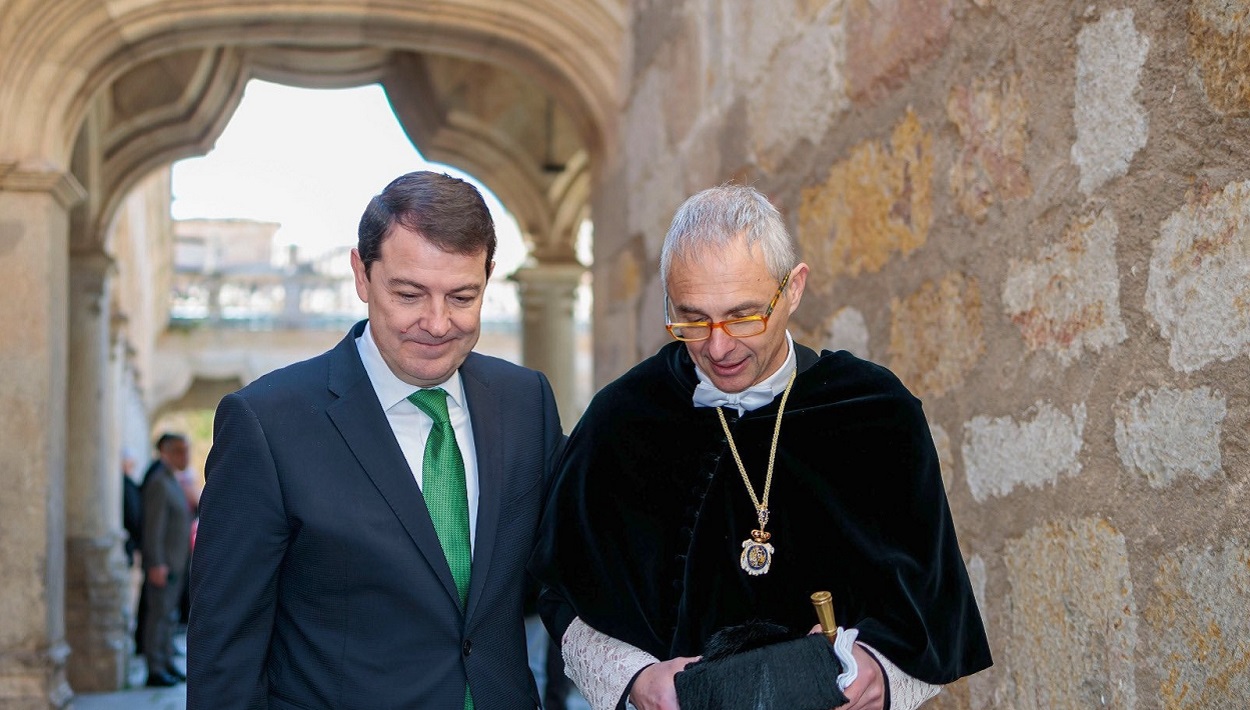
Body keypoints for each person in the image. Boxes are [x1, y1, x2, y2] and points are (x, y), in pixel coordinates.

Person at [531, 185, 992, 710]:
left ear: (793, 289)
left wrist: (882, 675)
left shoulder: (876, 413)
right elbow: (563, 595)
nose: (718, 345)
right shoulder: (623, 419)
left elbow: (932, 608)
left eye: (744, 315)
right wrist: (637, 681)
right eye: (692, 318)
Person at [187, 171, 564, 709]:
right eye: (409, 294)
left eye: (462, 296)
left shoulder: (526, 402)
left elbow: (577, 563)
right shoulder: (266, 423)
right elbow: (224, 657)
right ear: (362, 276)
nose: (437, 323)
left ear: (488, 277)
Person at [141, 432, 193, 688]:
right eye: (180, 451)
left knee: (169, 616)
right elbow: (153, 528)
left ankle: (167, 661)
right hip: (164, 564)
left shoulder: (173, 480)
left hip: (177, 562)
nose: (186, 456)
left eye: (187, 450)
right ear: (166, 452)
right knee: (158, 616)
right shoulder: (159, 483)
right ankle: (155, 667)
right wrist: (156, 562)